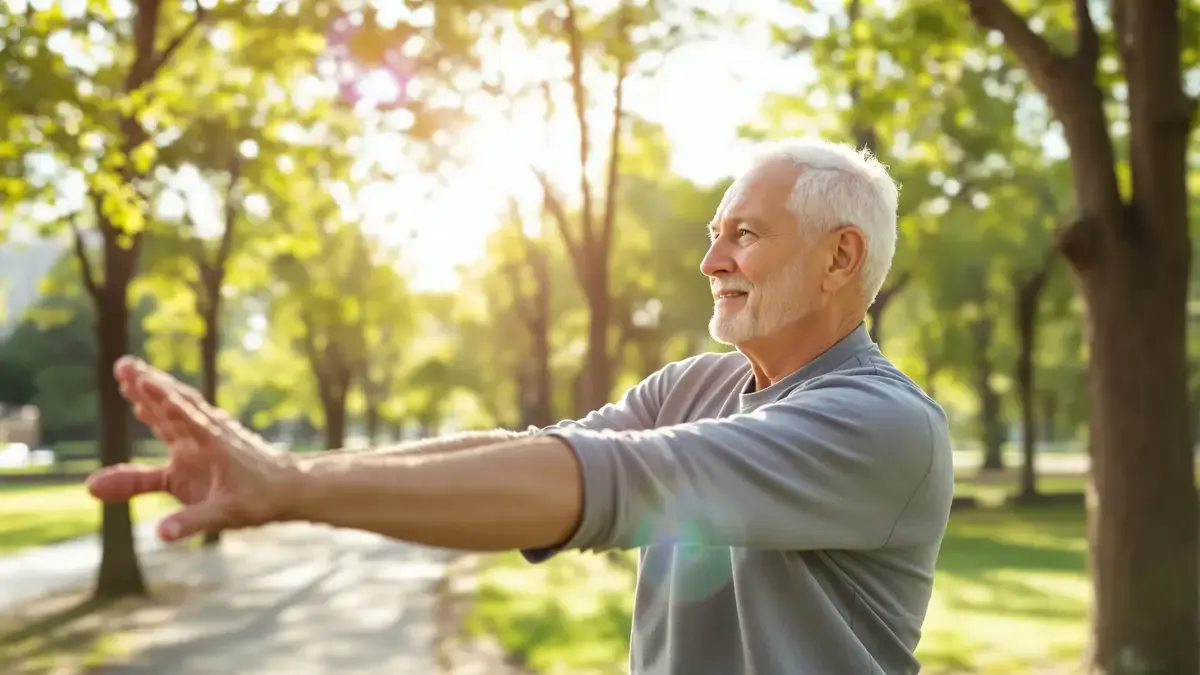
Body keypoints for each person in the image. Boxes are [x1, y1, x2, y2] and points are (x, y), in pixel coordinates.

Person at [87, 138, 953, 675]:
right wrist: (284, 473)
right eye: (713, 234)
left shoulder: (882, 426)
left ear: (840, 259)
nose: (711, 261)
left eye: (745, 234)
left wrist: (292, 486)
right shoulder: (695, 385)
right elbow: (540, 449)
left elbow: (614, 480)